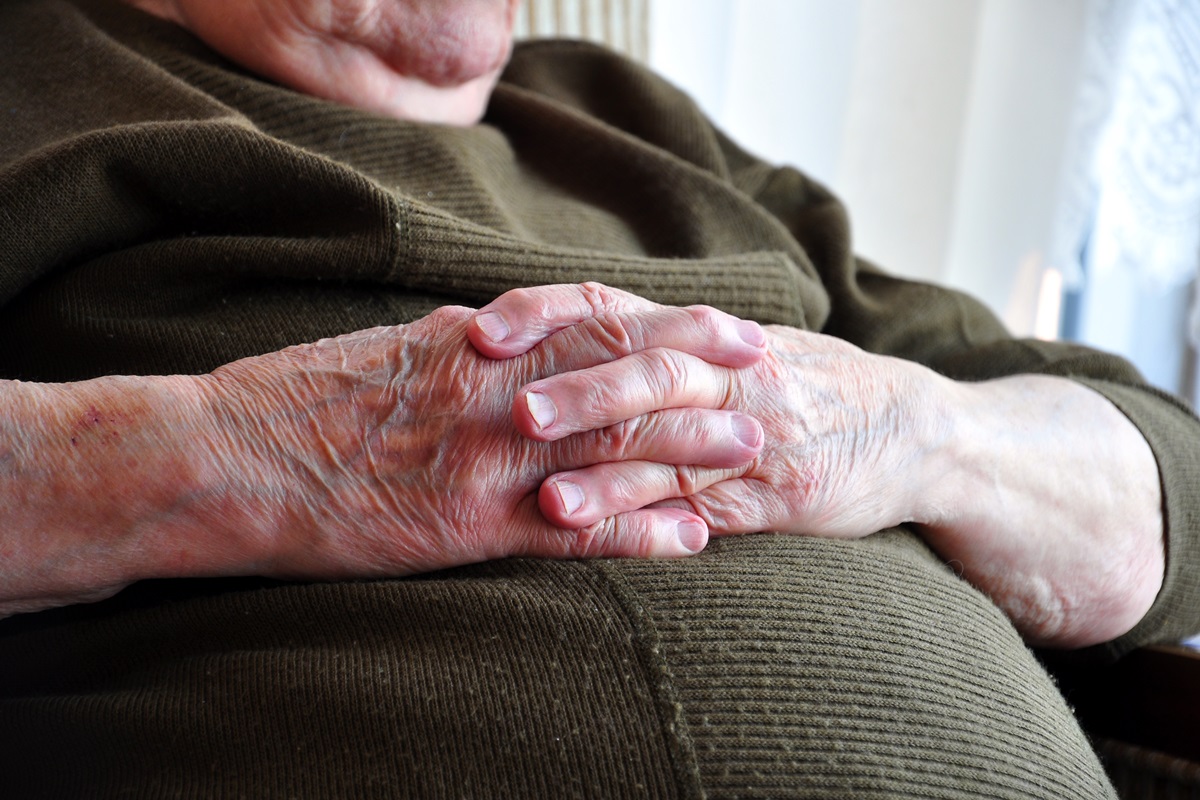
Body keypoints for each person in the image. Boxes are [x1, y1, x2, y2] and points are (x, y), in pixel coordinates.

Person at [0, 0, 1196, 797]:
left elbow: (1170, 482)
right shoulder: (40, 68)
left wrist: (922, 430)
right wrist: (233, 455)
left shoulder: (633, 122)